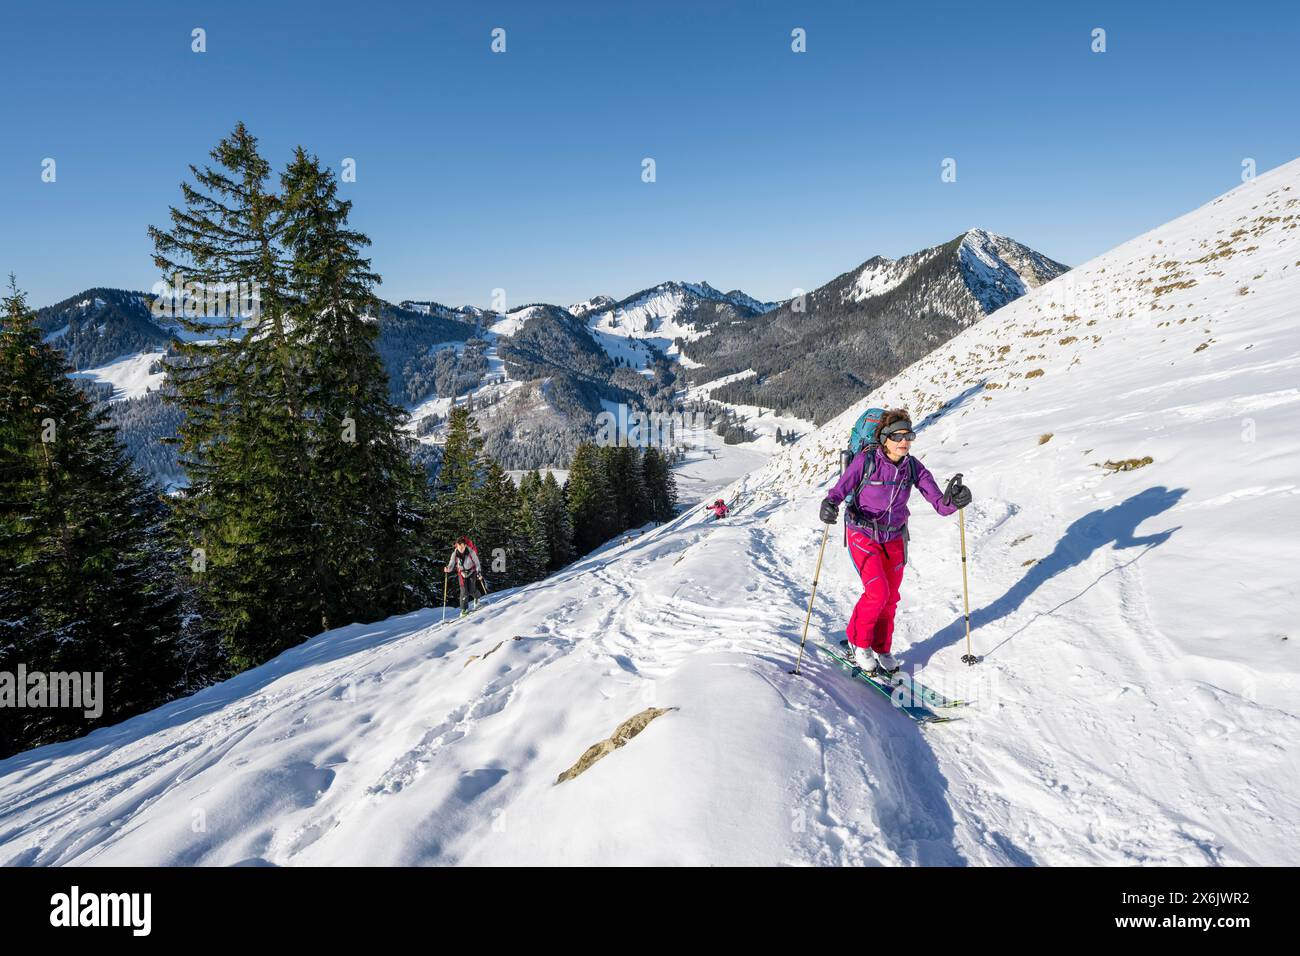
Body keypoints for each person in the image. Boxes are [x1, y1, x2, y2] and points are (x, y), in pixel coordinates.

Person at [818, 409, 971, 675]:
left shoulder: (913, 467)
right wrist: (829, 504)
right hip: (862, 532)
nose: (905, 441)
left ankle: (881, 647)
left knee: (890, 598)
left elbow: (939, 503)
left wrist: (955, 500)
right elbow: (841, 488)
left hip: (895, 537)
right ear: (884, 438)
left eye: (909, 435)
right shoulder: (866, 461)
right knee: (877, 592)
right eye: (898, 436)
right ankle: (858, 643)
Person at [444, 537, 483, 616]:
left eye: (462, 546)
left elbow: (477, 562)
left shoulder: (471, 551)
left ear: (465, 545)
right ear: (457, 546)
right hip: (461, 573)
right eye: (459, 547)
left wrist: (478, 572)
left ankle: (477, 598)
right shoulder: (455, 553)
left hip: (471, 571)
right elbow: (451, 563)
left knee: (472, 590)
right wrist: (448, 569)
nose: (461, 549)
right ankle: (464, 610)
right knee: (464, 591)